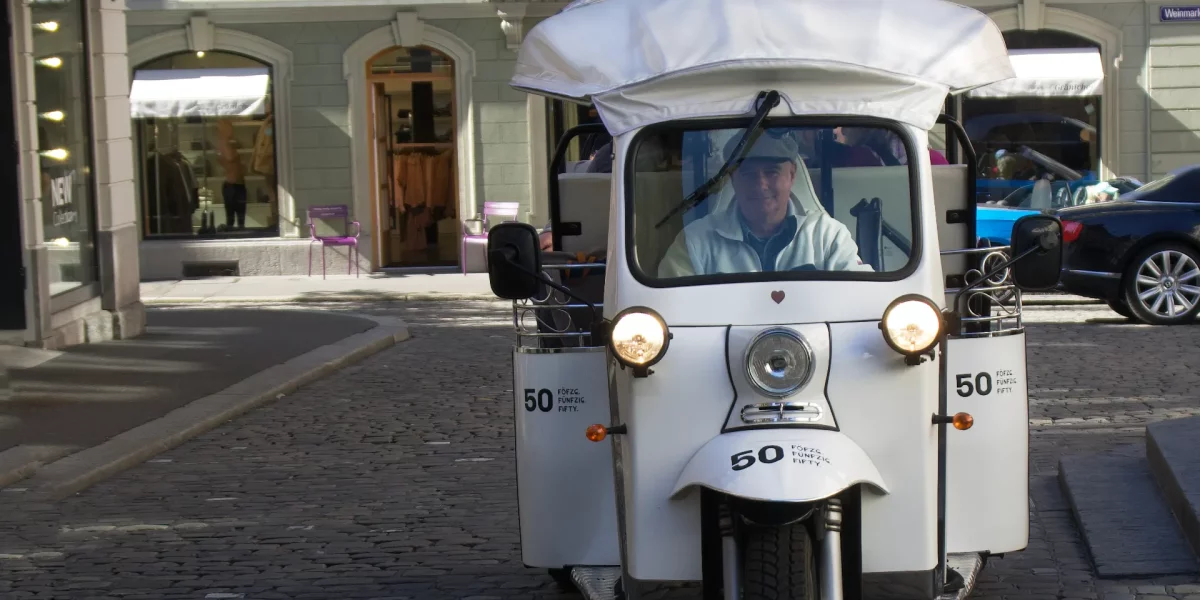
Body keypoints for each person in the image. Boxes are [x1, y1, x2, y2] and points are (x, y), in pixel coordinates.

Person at [657, 133, 872, 277]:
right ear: (733, 178)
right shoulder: (695, 241)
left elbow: (862, 299)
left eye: (771, 172)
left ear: (792, 175)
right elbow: (670, 310)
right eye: (749, 174)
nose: (761, 185)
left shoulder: (828, 236)